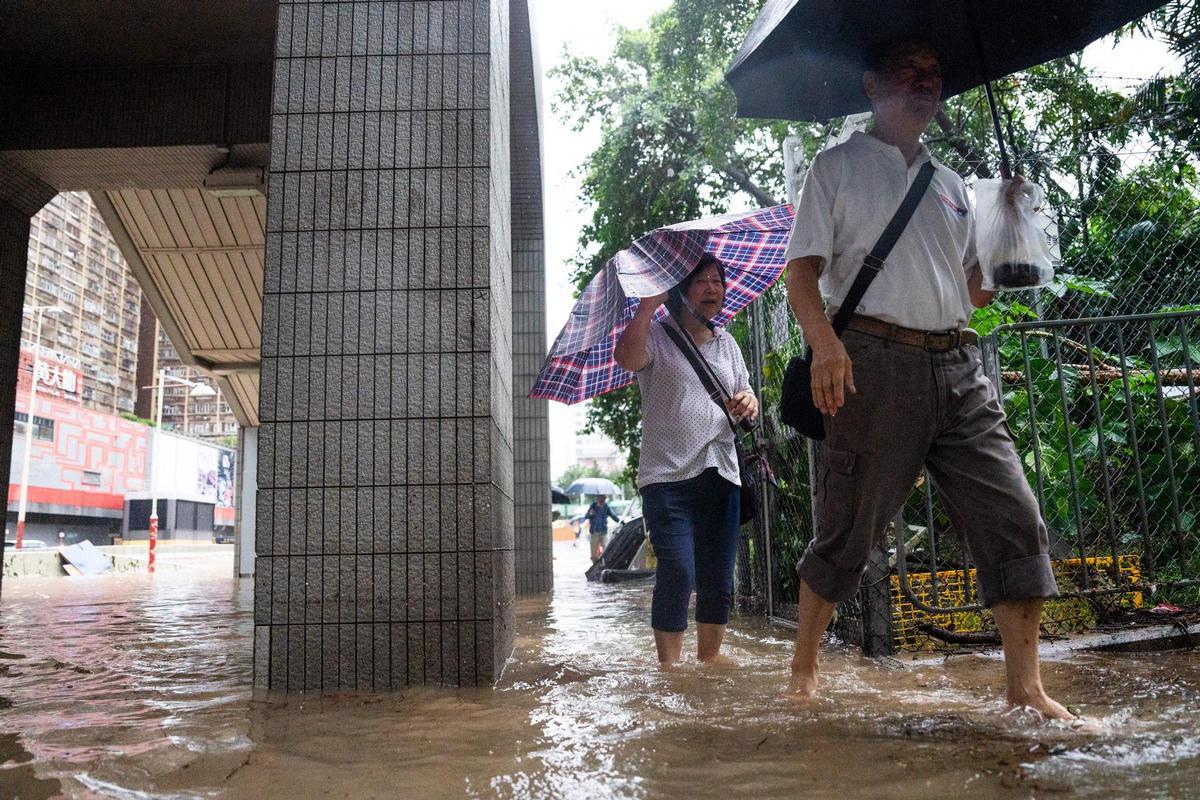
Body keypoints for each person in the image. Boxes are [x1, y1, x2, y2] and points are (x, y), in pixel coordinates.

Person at [781, 38, 1073, 719]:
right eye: (909, 70)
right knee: (849, 527)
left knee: (1014, 514)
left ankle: (1025, 690)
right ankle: (803, 671)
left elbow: (973, 293)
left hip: (959, 364)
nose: (926, 82)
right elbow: (801, 274)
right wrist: (825, 346)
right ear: (873, 85)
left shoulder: (950, 185)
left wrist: (1011, 223)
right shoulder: (835, 167)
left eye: (935, 72)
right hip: (872, 363)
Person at [614, 254, 759, 668]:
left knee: (717, 577)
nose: (714, 288)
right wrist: (647, 303)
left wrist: (749, 401)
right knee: (678, 570)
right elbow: (626, 358)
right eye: (702, 281)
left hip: (722, 472)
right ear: (681, 291)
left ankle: (710, 663)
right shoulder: (655, 335)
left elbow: (748, 396)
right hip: (667, 477)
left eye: (718, 281)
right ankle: (670, 671)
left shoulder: (727, 343)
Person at [584, 495, 621, 561]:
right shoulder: (593, 506)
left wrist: (621, 522)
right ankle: (595, 565)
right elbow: (586, 516)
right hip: (595, 532)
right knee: (593, 554)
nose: (603, 499)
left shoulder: (606, 506)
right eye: (602, 497)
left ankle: (604, 564)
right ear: (598, 497)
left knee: (606, 550)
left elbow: (613, 515)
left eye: (605, 498)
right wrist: (590, 514)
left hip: (604, 531)